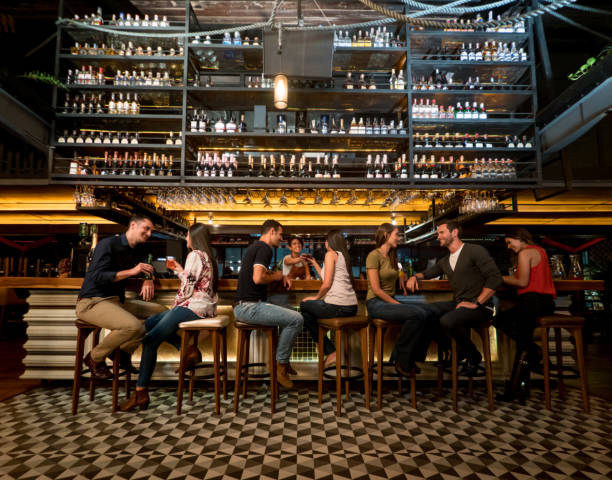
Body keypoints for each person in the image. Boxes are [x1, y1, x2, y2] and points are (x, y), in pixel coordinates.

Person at [120, 223, 219, 411]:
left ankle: (140, 392)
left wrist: (175, 305)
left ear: (194, 237)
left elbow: (187, 288)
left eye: (188, 235)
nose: (186, 238)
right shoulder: (207, 256)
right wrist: (177, 269)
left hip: (192, 307)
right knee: (150, 322)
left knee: (150, 341)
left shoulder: (195, 254)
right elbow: (192, 279)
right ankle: (187, 349)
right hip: (204, 307)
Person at [406, 221, 503, 377]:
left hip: (481, 307)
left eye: (441, 233)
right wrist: (413, 277)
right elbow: (428, 273)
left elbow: (495, 278)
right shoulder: (445, 261)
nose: (438, 237)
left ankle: (473, 355)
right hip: (458, 304)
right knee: (425, 312)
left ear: (455, 232)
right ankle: (445, 353)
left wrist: (477, 302)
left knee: (447, 321)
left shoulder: (475, 251)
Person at [75, 215, 166, 380]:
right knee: (133, 327)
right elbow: (98, 276)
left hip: (116, 301)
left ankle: (123, 353)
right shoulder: (108, 244)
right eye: (146, 228)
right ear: (132, 225)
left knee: (161, 313)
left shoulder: (137, 249)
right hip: (93, 301)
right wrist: (133, 271)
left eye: (151, 230)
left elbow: (148, 265)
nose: (149, 233)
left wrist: (148, 279)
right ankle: (94, 358)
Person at [233, 220, 304, 389]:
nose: (281, 239)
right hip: (248, 307)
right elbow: (258, 278)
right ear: (272, 231)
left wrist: (279, 275)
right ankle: (280, 366)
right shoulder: (265, 248)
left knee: (286, 311)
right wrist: (278, 277)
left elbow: (261, 273)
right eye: (280, 235)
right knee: (297, 319)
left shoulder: (256, 247)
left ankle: (282, 363)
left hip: (245, 305)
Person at [365, 223, 438, 375]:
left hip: (389, 301)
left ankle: (408, 358)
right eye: (396, 235)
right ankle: (402, 360)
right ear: (386, 235)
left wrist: (402, 277)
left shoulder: (392, 256)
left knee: (430, 312)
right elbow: (377, 290)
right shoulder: (373, 256)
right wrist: (396, 304)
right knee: (417, 313)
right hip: (376, 303)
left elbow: (396, 272)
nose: (399, 238)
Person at [494, 228, 556, 403]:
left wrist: (498, 277)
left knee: (502, 323)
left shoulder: (525, 252)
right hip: (545, 303)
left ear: (520, 239)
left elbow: (522, 282)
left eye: (509, 242)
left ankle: (514, 388)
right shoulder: (540, 251)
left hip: (532, 302)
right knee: (522, 342)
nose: (508, 246)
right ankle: (518, 385)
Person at [300, 229, 358, 368]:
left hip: (338, 307)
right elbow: (326, 276)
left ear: (331, 242)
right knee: (310, 310)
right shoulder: (343, 256)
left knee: (304, 305)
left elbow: (326, 284)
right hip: (351, 307)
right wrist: (314, 262)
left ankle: (329, 350)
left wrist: (315, 297)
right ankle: (321, 334)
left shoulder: (330, 254)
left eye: (326, 240)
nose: (325, 242)